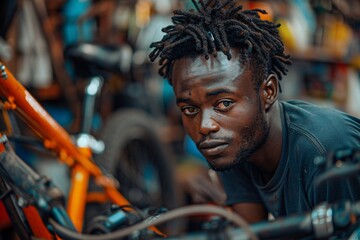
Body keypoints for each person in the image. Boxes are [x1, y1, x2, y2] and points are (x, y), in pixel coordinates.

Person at [149, 0, 360, 226]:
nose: (205, 126)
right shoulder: (236, 145)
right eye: (190, 109)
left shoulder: (325, 150)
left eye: (224, 103)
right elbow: (249, 232)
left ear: (268, 92)